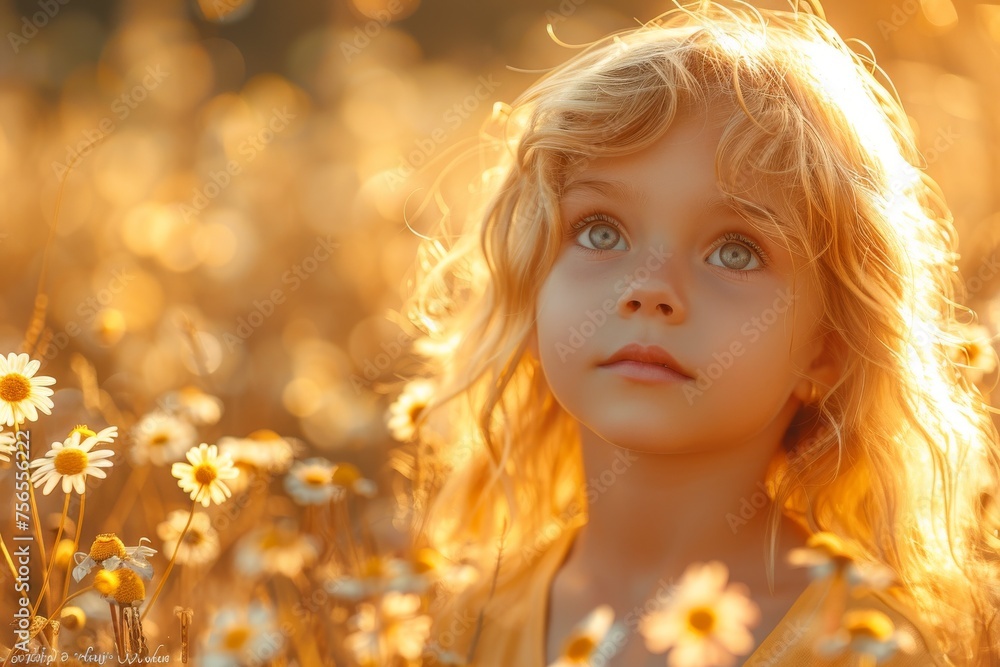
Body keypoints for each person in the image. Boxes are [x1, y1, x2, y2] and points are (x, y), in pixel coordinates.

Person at [391, 1, 1000, 664]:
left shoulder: (865, 647)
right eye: (600, 230)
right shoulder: (465, 618)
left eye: (735, 250)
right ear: (530, 291)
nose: (649, 288)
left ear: (829, 348)